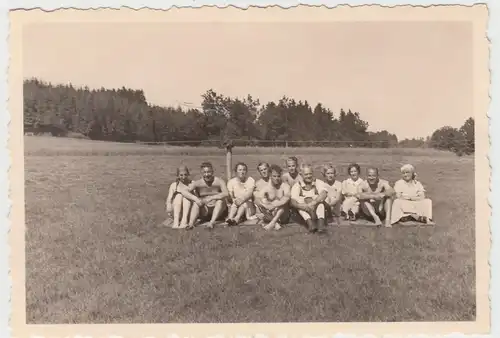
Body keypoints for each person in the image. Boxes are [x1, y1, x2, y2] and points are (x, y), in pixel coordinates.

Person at [184, 162, 229, 229]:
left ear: (212, 172)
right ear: (202, 173)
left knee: (220, 200)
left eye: (209, 172)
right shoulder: (198, 183)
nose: (207, 174)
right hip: (205, 210)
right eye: (204, 172)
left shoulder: (219, 181)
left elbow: (226, 193)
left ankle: (211, 223)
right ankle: (191, 224)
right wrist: (195, 199)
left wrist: (212, 197)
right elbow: (184, 191)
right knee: (196, 203)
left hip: (218, 211)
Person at [290, 164, 328, 233]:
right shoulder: (297, 185)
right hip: (305, 209)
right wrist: (304, 206)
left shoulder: (318, 182)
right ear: (301, 174)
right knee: (300, 203)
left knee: (320, 203)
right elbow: (293, 201)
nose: (308, 176)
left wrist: (314, 202)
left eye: (310, 174)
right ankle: (310, 224)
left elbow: (324, 193)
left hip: (316, 207)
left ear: (313, 173)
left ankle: (320, 224)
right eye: (306, 174)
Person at [255, 164, 291, 231]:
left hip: (283, 214)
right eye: (274, 176)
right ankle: (276, 223)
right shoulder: (267, 188)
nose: (276, 178)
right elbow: (257, 200)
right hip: (272, 213)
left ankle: (272, 223)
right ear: (270, 176)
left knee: (280, 202)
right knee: (263, 201)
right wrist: (265, 205)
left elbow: (286, 198)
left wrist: (274, 205)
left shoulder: (285, 186)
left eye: (278, 176)